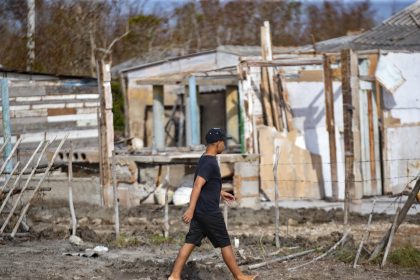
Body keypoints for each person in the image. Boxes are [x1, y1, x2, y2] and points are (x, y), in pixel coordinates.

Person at [168, 128, 257, 280]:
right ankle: (239, 276)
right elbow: (197, 185)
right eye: (224, 142)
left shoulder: (204, 158)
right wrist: (190, 209)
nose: (225, 146)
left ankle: (175, 275)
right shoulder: (210, 162)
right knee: (225, 243)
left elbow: (208, 184)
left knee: (190, 242)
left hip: (201, 212)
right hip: (209, 212)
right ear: (218, 143)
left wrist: (220, 193)